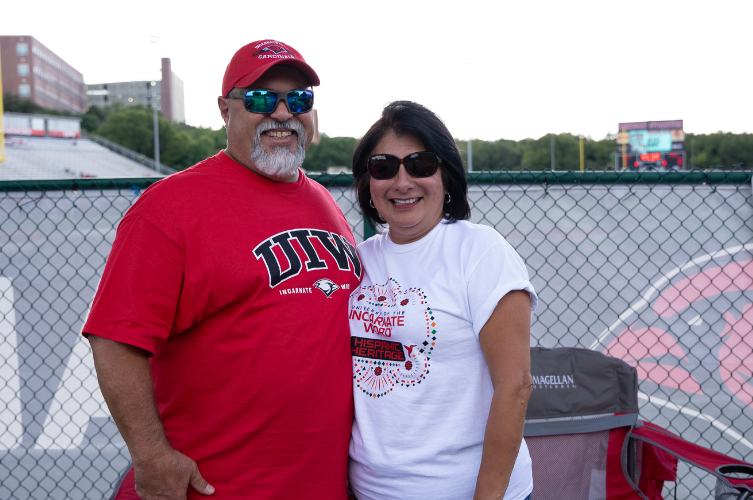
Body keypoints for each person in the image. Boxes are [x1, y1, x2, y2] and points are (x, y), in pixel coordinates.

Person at [84, 39, 362, 500]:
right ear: (225, 110)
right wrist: (152, 456)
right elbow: (115, 340)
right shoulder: (170, 207)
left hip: (317, 485)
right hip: (217, 486)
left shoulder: (320, 200)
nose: (282, 112)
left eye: (299, 99)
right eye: (259, 98)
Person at [347, 101, 536, 500]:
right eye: (384, 166)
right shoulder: (357, 261)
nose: (402, 181)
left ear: (446, 174)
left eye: (420, 164)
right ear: (368, 181)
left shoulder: (480, 251)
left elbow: (515, 386)